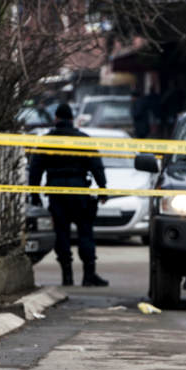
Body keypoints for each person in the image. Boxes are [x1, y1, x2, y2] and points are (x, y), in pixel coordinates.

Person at [28, 103, 109, 287]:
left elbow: (35, 169)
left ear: (56, 118)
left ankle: (67, 276)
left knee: (61, 233)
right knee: (85, 232)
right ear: (72, 119)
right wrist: (103, 188)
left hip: (57, 193)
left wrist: (35, 194)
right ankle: (89, 275)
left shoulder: (47, 140)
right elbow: (96, 166)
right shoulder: (83, 139)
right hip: (79, 191)